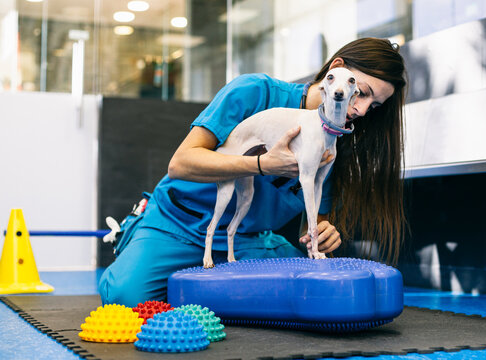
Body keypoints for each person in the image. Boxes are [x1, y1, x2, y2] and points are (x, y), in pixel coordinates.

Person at [98, 38, 407, 307]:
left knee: (316, 296)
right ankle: (135, 234)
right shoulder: (255, 92)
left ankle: (209, 285)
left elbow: (316, 218)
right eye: (362, 92)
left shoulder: (335, 140)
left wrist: (323, 234)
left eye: (375, 105)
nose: (363, 110)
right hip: (179, 225)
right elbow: (181, 164)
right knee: (127, 298)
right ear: (336, 70)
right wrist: (260, 165)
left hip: (248, 243)